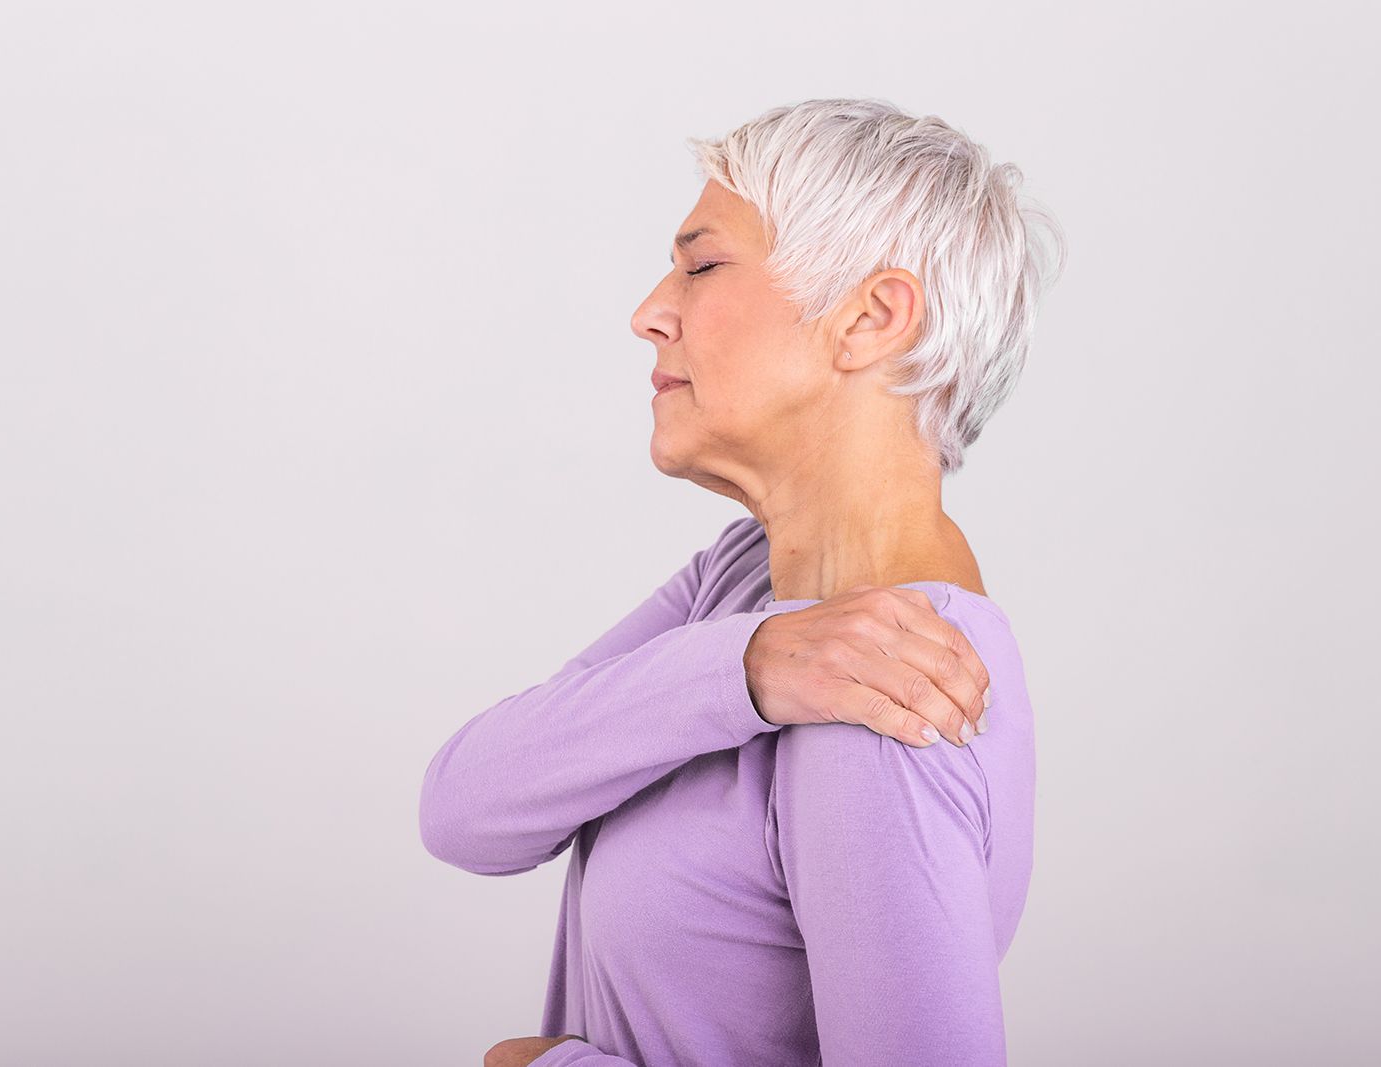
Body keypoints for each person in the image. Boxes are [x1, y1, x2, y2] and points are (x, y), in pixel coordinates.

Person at [420, 97, 1065, 1066]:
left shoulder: (889, 696)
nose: (649, 311)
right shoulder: (746, 587)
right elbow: (467, 809)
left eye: (702, 263)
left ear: (870, 316)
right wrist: (749, 666)